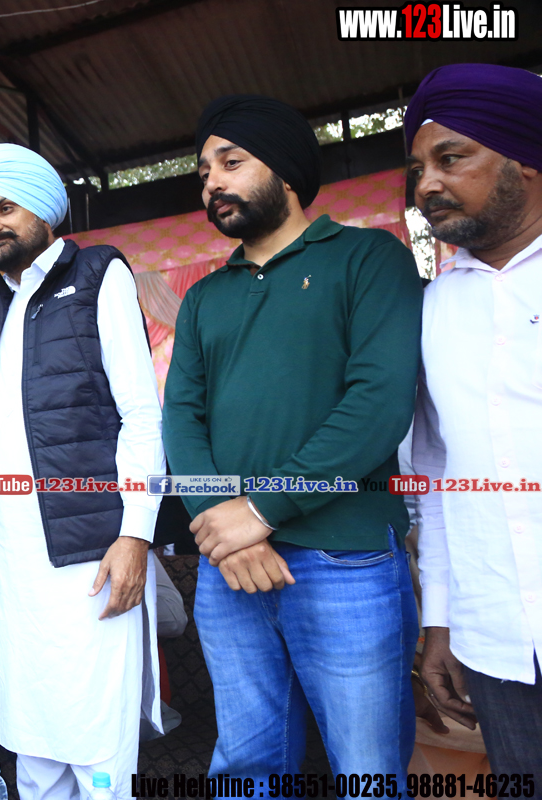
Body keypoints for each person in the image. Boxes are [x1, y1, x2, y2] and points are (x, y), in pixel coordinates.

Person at [163, 95, 422, 776]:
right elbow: (180, 417)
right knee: (245, 765)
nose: (212, 182)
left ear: (283, 170)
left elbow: (377, 405)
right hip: (228, 568)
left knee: (367, 769)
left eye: (231, 162)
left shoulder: (369, 259)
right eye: (203, 172)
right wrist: (222, 526)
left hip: (345, 557)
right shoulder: (204, 297)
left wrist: (259, 510)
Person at [0, 143, 165, 798]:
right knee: (35, 746)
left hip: (90, 554)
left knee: (97, 744)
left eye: (5, 208)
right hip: (15, 565)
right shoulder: (6, 306)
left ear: (44, 209)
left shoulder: (99, 273)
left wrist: (135, 534)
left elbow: (142, 415)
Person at [405, 63, 542, 772]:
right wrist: (440, 621)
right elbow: (436, 477)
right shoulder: (433, 308)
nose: (427, 184)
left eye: (451, 158)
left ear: (526, 161)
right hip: (497, 644)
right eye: (418, 169)